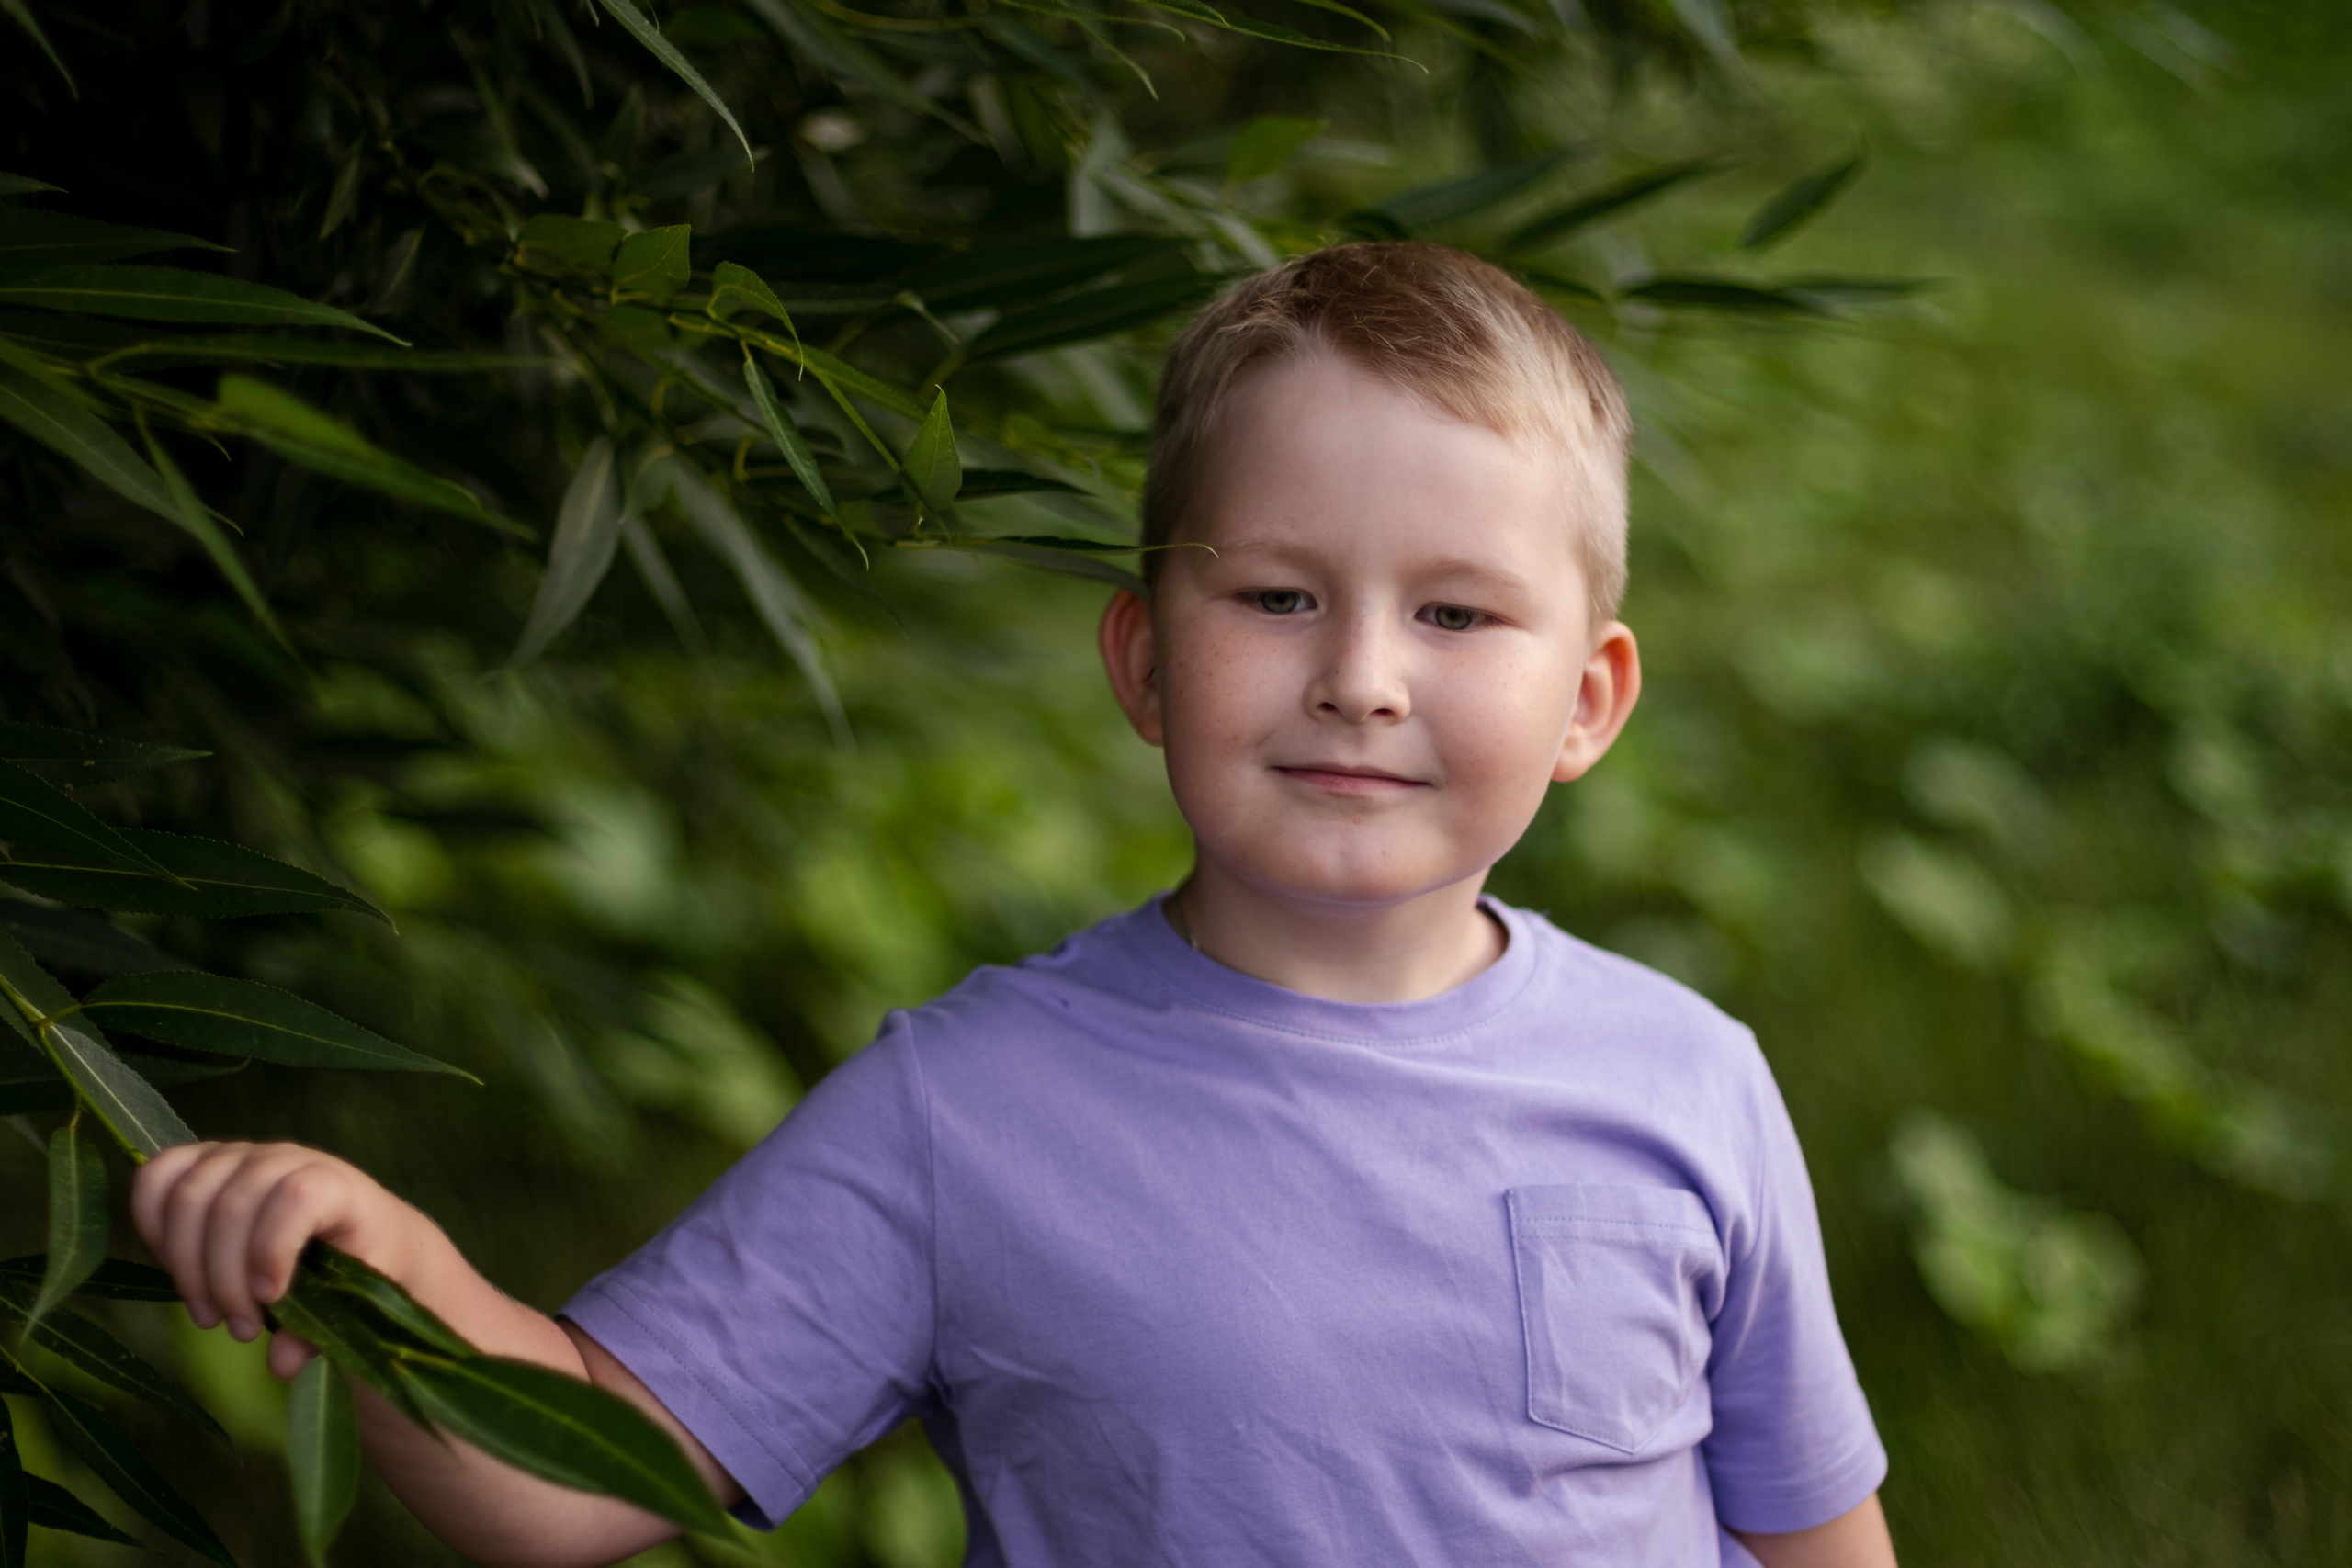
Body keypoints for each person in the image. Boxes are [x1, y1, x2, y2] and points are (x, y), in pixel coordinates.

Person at [132, 241, 1896, 1568]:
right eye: (1278, 596)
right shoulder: (964, 1112)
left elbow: (1818, 1532)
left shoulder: (1684, 1080)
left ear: (1589, 699)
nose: (1362, 677)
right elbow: (581, 1474)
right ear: (1145, 659)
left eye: (1455, 616)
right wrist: (387, 1275)